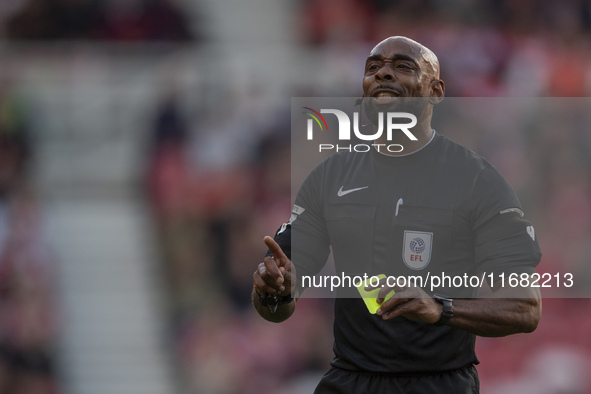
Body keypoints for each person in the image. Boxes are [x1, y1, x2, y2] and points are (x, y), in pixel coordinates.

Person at [252, 36, 542, 393]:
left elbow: (525, 307)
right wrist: (273, 291)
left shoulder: (477, 181)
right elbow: (278, 306)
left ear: (435, 91)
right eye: (373, 68)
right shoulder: (331, 177)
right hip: (350, 379)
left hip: (439, 384)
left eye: (402, 66)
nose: (383, 74)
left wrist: (440, 308)